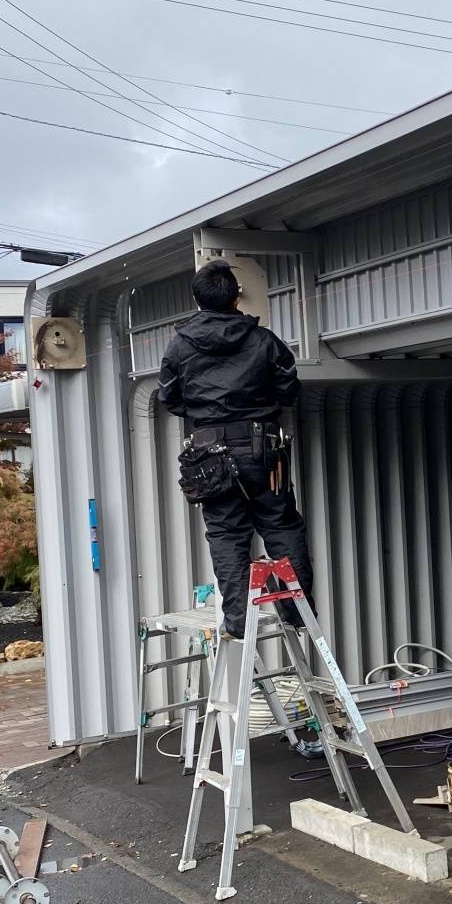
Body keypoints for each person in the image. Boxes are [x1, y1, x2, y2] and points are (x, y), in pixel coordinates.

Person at [156, 259, 315, 637]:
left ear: (197, 299)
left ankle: (238, 623)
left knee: (227, 535)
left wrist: (205, 414)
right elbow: (289, 388)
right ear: (235, 297)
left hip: (209, 452)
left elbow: (170, 398)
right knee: (280, 524)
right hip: (263, 447)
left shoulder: (179, 345)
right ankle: (297, 613)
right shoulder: (263, 340)